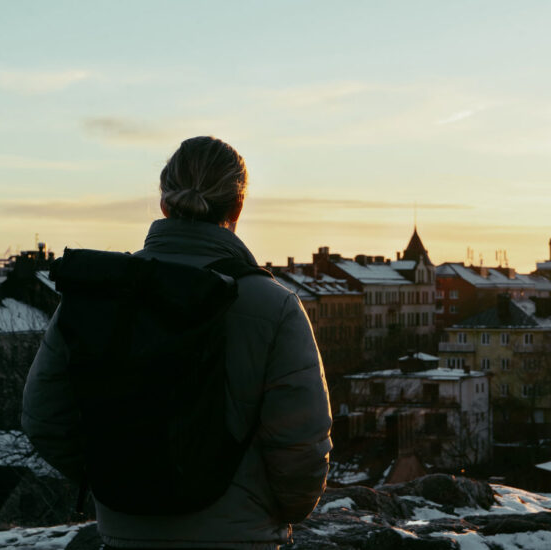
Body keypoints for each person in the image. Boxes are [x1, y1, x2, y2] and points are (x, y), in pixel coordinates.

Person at [22, 136, 332, 549]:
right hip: (240, 537)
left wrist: (119, 482)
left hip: (125, 534)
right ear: (237, 207)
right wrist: (278, 511)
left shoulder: (99, 294)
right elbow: (301, 443)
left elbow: (45, 419)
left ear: (164, 202)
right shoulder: (275, 307)